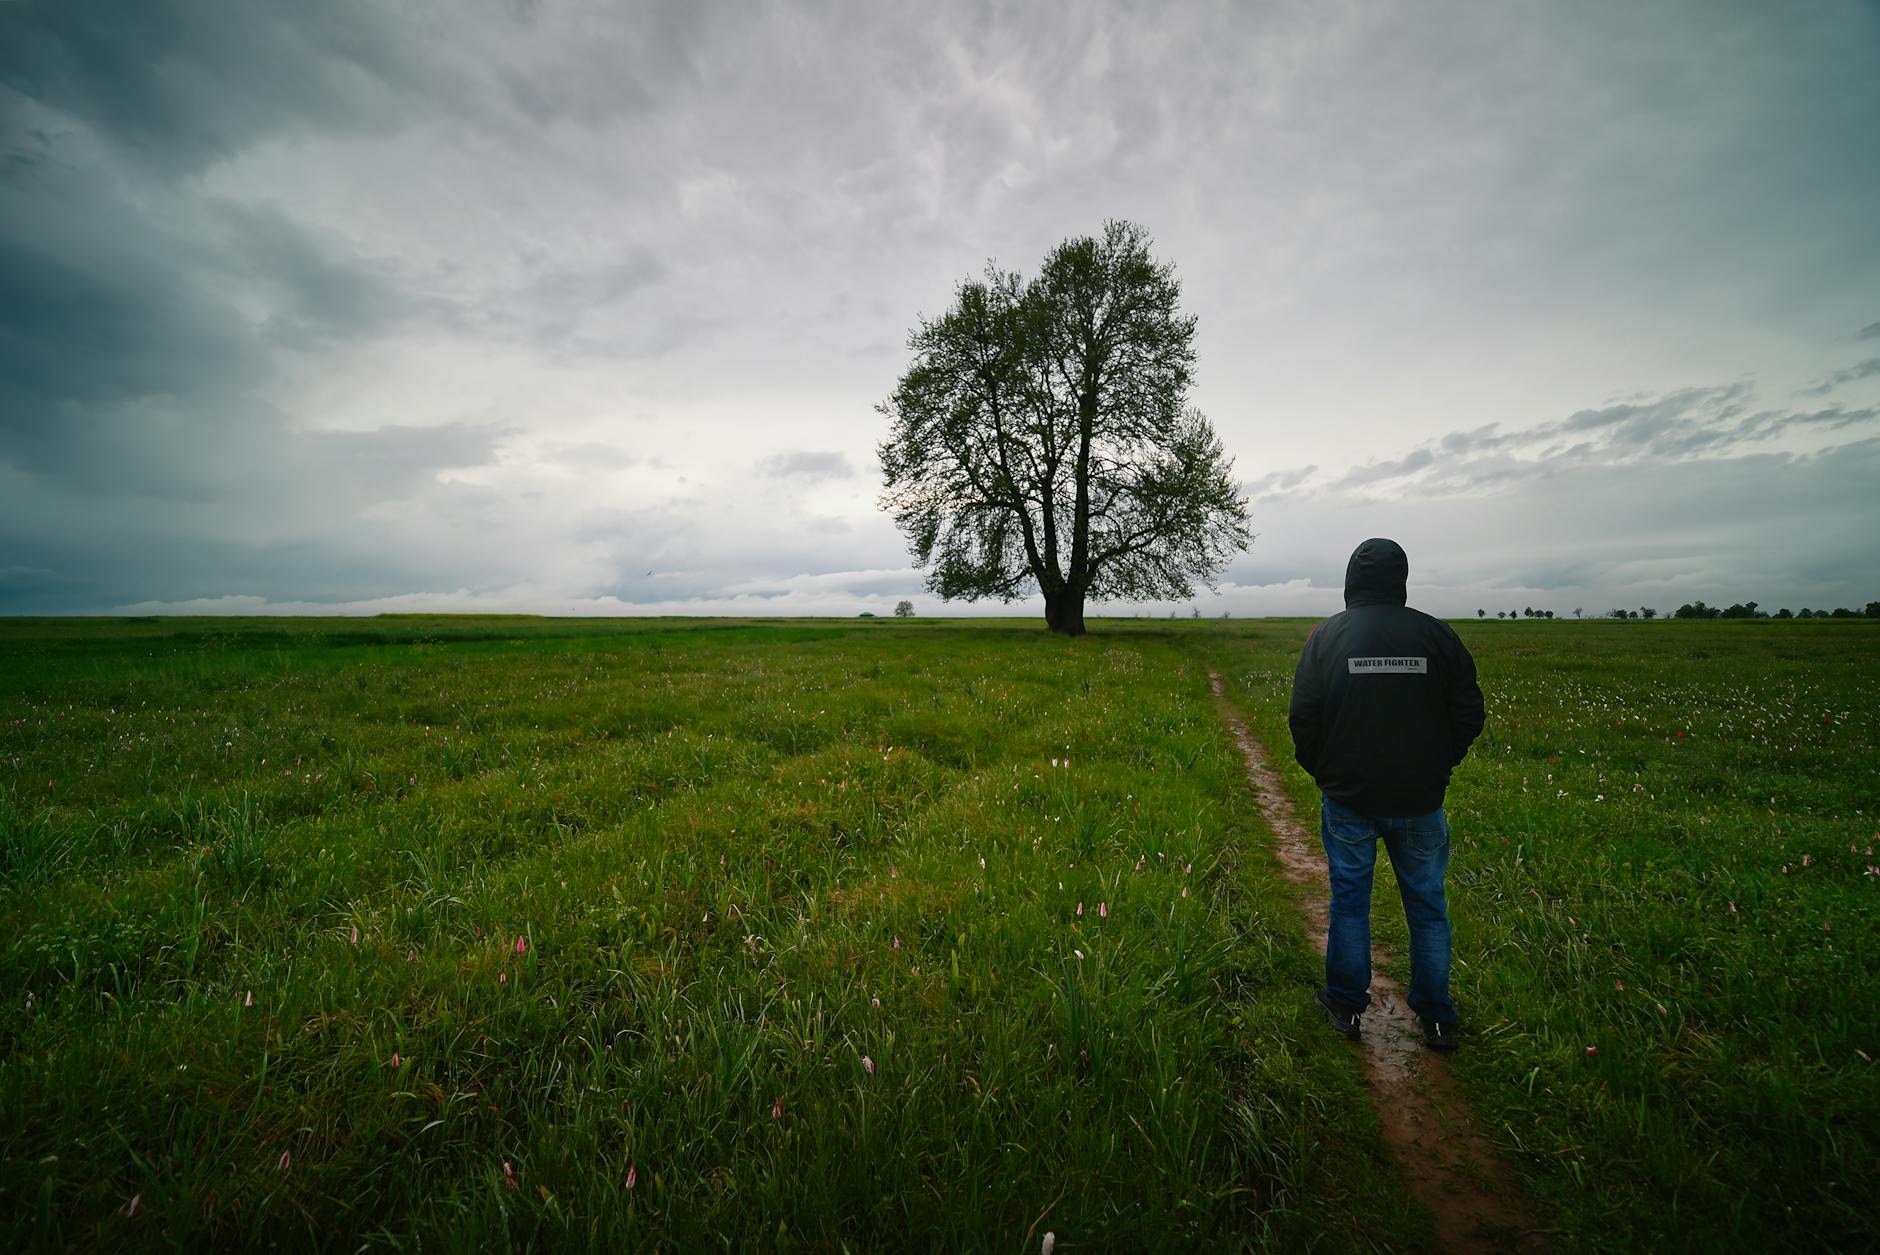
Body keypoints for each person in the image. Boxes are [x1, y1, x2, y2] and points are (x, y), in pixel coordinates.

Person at [1288, 538, 1486, 1050]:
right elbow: (1469, 712)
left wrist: (1324, 772)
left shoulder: (1328, 635)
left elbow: (1304, 718)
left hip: (1349, 800)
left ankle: (1346, 1006)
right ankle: (1437, 1017)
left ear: (1352, 579)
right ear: (1401, 579)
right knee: (1427, 906)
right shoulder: (1436, 635)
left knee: (1349, 902)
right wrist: (1438, 766)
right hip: (1420, 801)